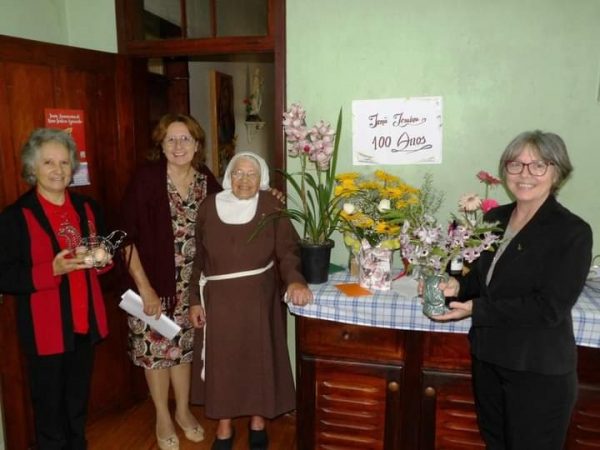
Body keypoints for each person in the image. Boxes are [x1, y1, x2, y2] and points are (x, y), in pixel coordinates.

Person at [432, 130, 593, 450]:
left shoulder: (572, 232)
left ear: (557, 171)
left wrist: (477, 308)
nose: (525, 174)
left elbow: (548, 308)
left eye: (538, 165)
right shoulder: (495, 218)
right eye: (515, 165)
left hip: (537, 370)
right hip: (489, 358)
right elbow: (481, 280)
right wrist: (456, 287)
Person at [188, 152, 313, 450]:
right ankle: (224, 426)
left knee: (259, 361)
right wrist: (194, 298)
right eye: (238, 173)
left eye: (251, 174)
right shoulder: (209, 206)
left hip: (259, 298)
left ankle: (259, 421)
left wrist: (295, 279)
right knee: (224, 364)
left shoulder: (271, 205)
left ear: (263, 179)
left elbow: (287, 250)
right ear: (229, 175)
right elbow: (199, 259)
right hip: (218, 300)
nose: (244, 180)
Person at [0, 128, 112, 449]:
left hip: (84, 324)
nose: (57, 170)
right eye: (48, 162)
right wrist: (51, 269)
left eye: (64, 162)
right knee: (49, 415)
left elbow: (104, 256)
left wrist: (103, 259)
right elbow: (5, 275)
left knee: (77, 408)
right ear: (32, 167)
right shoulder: (15, 217)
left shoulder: (88, 208)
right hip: (45, 330)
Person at [120, 113, 221, 450]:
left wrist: (269, 198)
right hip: (152, 284)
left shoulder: (206, 180)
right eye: (171, 140)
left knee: (183, 351)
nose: (179, 146)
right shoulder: (146, 179)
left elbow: (233, 211)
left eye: (185, 139)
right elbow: (126, 238)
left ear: (197, 144)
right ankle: (162, 415)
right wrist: (144, 287)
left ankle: (182, 410)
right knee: (155, 353)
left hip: (191, 287)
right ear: (160, 145)